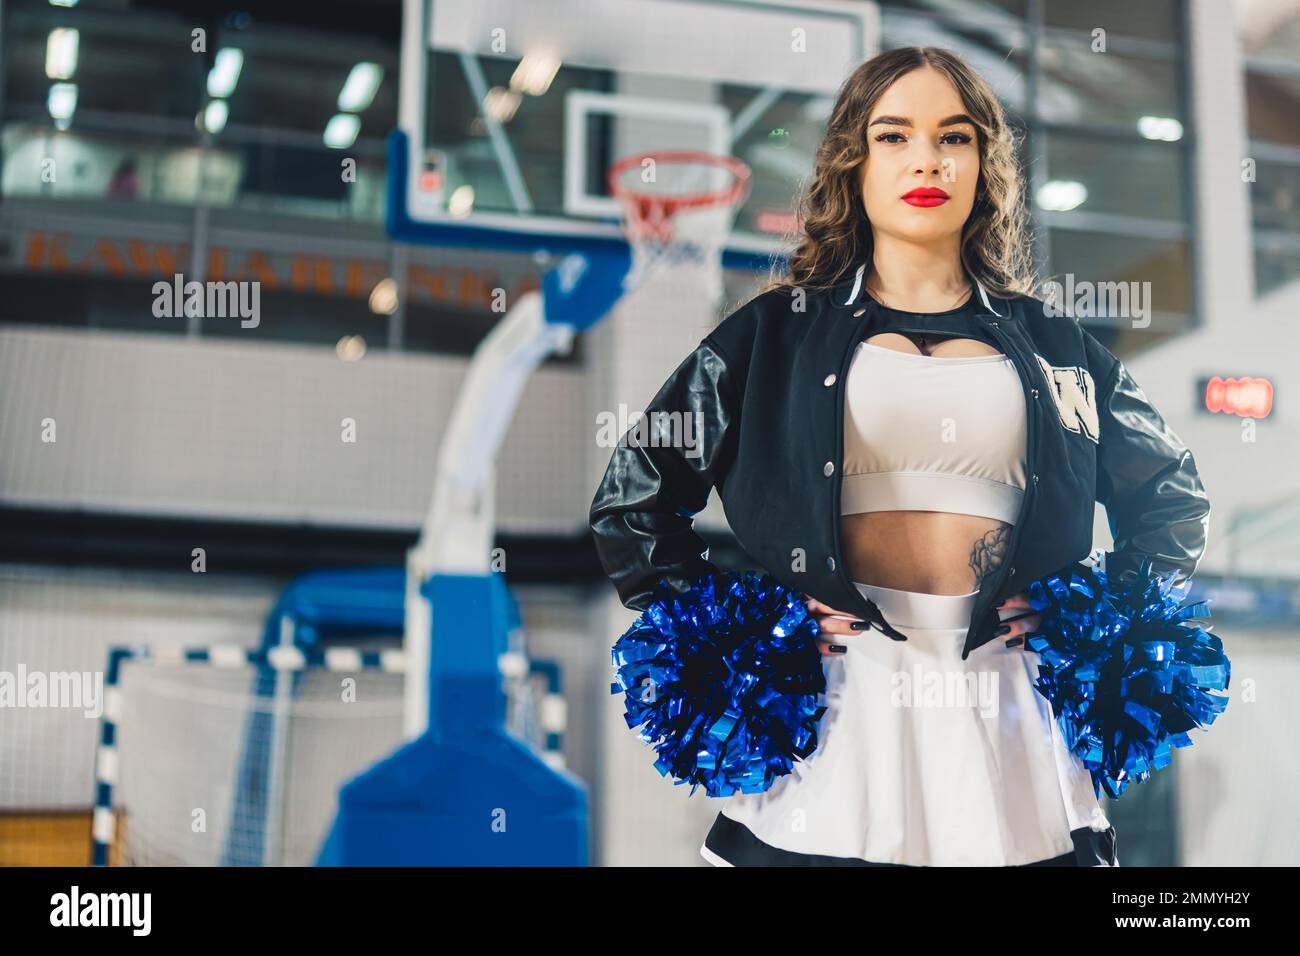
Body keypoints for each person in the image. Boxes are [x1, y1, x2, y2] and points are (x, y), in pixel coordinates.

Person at [588, 47, 1210, 867]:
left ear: (983, 164)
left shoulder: (1058, 345)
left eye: (953, 137)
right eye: (894, 136)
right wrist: (745, 627)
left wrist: (1095, 621)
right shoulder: (771, 334)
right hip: (843, 700)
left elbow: (1171, 495)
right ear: (855, 161)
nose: (926, 158)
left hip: (1005, 705)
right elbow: (633, 501)